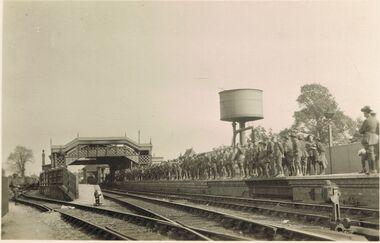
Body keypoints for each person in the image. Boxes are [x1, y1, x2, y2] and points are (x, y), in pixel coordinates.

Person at [359, 106, 379, 174]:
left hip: (368, 139)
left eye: (364, 113)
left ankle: (372, 170)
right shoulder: (376, 120)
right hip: (375, 139)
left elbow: (361, 131)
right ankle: (373, 169)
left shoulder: (366, 120)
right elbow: (378, 130)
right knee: (372, 154)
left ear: (367, 113)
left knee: (370, 154)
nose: (364, 114)